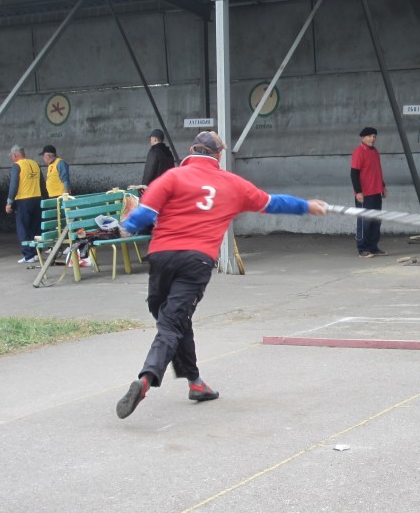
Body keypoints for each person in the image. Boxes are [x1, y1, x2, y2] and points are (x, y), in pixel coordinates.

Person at [115, 131, 327, 419]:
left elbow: (143, 217)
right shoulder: (233, 184)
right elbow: (272, 202)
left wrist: (123, 225)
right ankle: (146, 379)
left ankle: (195, 382)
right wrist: (306, 206)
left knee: (171, 319)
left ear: (191, 150)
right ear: (218, 155)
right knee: (173, 322)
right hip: (197, 260)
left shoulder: (171, 177)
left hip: (162, 256)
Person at [350, 126, 387, 258]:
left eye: (374, 136)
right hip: (365, 195)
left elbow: (377, 171)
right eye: (370, 136)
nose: (373, 139)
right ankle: (362, 249)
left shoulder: (375, 152)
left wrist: (383, 186)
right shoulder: (359, 152)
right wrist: (358, 192)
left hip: (376, 192)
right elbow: (354, 173)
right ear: (363, 137)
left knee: (376, 221)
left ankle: (373, 247)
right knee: (364, 222)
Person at [5, 145, 42, 264]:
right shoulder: (35, 164)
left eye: (11, 156)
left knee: (23, 228)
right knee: (35, 228)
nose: (12, 158)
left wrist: (9, 202)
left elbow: (14, 185)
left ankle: (28, 255)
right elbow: (42, 183)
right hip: (37, 199)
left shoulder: (17, 166)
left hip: (23, 201)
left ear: (15, 155)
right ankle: (36, 253)